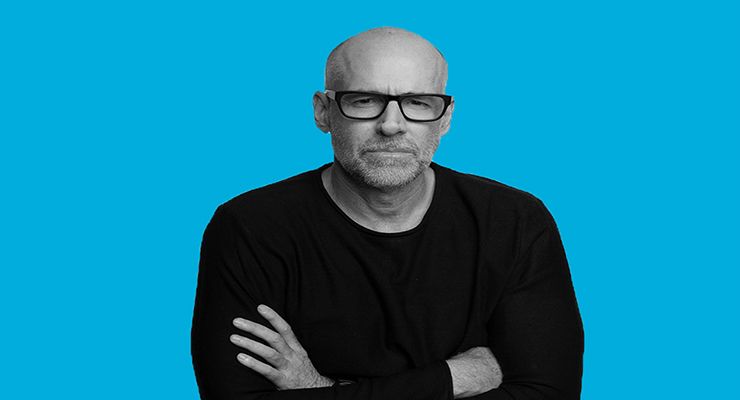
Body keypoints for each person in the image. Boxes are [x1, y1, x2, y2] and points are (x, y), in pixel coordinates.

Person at [191, 27, 584, 400]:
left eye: (418, 103)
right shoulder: (250, 227)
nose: (392, 125)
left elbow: (551, 393)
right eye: (364, 100)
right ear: (324, 112)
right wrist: (453, 377)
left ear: (445, 117)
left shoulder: (515, 221)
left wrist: (317, 387)